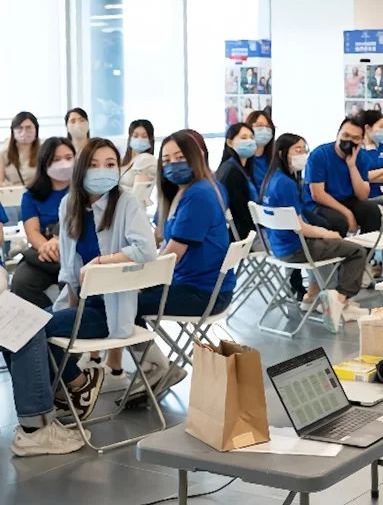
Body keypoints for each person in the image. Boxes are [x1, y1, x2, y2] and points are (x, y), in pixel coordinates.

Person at [45, 138, 160, 405]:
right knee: (29, 327)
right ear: (81, 169)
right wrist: (70, 315)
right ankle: (70, 386)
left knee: (35, 331)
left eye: (110, 164)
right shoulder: (68, 205)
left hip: (112, 312)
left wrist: (101, 262)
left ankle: (78, 385)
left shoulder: (126, 203)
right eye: (94, 165)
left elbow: (146, 250)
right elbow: (71, 273)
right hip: (82, 306)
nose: (102, 171)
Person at [128, 130, 236, 401]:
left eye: (179, 157)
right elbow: (162, 239)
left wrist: (134, 277)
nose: (172, 164)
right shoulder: (190, 190)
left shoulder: (198, 195)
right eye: (166, 159)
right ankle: (154, 366)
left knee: (121, 303)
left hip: (202, 293)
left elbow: (172, 254)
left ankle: (157, 367)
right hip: (203, 285)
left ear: (195, 157)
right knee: (126, 296)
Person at [261, 133, 367, 333]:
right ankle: (340, 299)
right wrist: (327, 234)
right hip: (296, 248)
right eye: (297, 150)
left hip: (277, 247)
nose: (303, 154)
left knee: (327, 243)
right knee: (357, 251)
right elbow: (299, 227)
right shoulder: (286, 184)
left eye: (304, 149)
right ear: (283, 153)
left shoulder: (271, 179)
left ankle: (314, 296)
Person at [10, 138, 75, 308]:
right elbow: (32, 232)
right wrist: (48, 248)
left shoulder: (83, 189)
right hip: (44, 251)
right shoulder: (31, 195)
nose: (64, 164)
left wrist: (59, 241)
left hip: (76, 248)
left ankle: (67, 321)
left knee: (73, 281)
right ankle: (46, 323)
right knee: (21, 282)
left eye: (69, 158)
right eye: (56, 159)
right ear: (44, 162)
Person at [303, 117, 382, 236]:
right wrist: (348, 214)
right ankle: (341, 252)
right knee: (339, 221)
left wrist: (352, 166)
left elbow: (363, 195)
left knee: (372, 211)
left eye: (355, 138)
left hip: (347, 199)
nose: (349, 140)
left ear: (361, 141)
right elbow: (318, 194)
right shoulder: (319, 155)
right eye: (346, 135)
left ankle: (365, 253)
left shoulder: (362, 158)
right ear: (337, 135)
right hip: (319, 203)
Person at [216, 123, 260, 240]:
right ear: (230, 143)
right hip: (244, 234)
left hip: (245, 230)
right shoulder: (232, 172)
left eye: (252, 137)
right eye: (244, 138)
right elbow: (242, 212)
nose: (249, 141)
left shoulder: (236, 168)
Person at [1, 111, 40, 187]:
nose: (24, 132)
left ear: (36, 129)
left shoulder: (44, 152)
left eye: (28, 127)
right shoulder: (4, 154)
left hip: (38, 195)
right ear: (13, 131)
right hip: (13, 195)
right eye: (20, 128)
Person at [119, 119, 157, 191]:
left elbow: (138, 195)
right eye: (135, 136)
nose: (139, 139)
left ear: (150, 139)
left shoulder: (147, 160)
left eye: (144, 136)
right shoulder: (123, 160)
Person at [246, 110, 275, 191]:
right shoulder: (244, 159)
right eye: (259, 125)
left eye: (268, 127)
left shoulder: (274, 160)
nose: (265, 130)